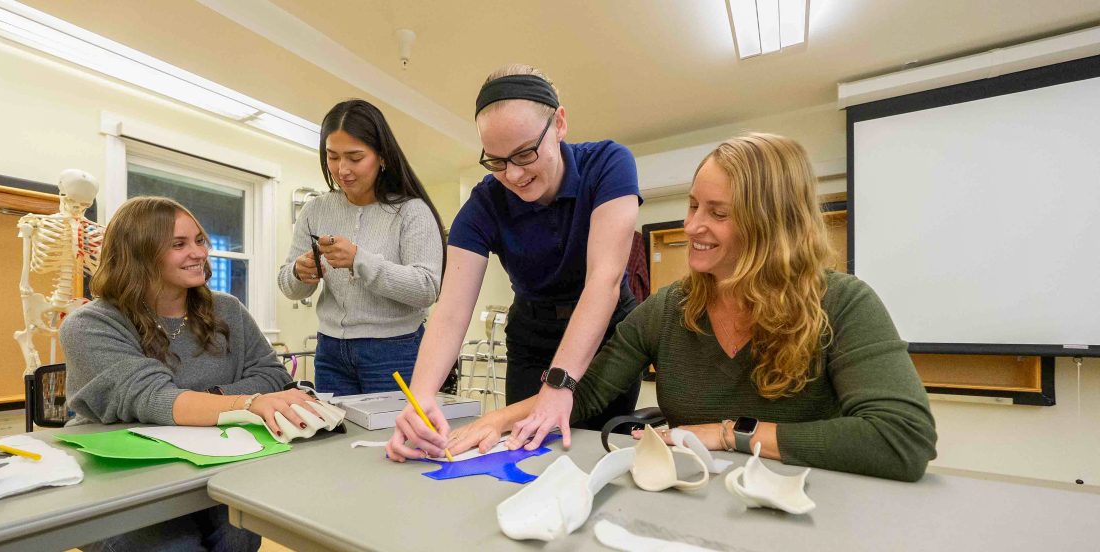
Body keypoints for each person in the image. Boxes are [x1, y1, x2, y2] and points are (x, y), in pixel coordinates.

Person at [431, 133, 938, 482]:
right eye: (694, 205)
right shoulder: (667, 310)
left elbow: (903, 438)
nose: (692, 226)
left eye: (718, 214)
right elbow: (580, 395)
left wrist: (727, 434)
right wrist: (494, 424)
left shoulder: (845, 304)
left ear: (774, 226)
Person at [386, 64, 642, 462]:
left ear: (559, 123)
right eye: (497, 161)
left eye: (525, 153)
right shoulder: (484, 203)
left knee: (597, 448)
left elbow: (604, 282)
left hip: (606, 331)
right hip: (532, 335)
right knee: (525, 449)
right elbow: (452, 309)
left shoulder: (608, 164)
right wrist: (420, 399)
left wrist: (558, 387)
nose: (515, 174)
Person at [62, 196, 320, 551]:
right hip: (121, 474)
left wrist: (203, 402)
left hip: (211, 463)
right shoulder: (92, 324)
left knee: (239, 535)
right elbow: (154, 398)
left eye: (199, 240)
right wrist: (246, 401)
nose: (198, 253)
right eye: (178, 245)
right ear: (138, 253)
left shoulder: (227, 309)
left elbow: (273, 376)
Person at [278, 99, 445, 396]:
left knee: (395, 440)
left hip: (395, 352)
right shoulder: (315, 210)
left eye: (355, 158)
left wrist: (359, 261)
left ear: (382, 157)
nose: (342, 170)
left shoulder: (411, 211)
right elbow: (291, 288)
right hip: (330, 351)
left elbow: (427, 289)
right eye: (332, 157)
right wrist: (299, 273)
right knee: (338, 440)